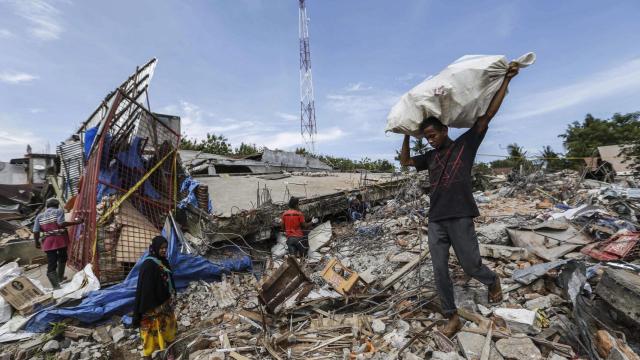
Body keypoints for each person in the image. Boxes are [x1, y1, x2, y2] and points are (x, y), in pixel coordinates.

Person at [399, 64, 519, 337]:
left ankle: (492, 280)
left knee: (470, 265)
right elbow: (405, 161)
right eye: (426, 138)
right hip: (436, 220)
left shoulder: (465, 145)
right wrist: (407, 133)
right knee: (439, 269)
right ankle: (451, 316)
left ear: (444, 130)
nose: (429, 141)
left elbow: (487, 116)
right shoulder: (429, 158)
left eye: (432, 136)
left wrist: (506, 82)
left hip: (461, 214)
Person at [133, 236, 177, 360]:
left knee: (168, 326)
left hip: (165, 304)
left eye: (165, 248)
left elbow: (169, 281)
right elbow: (145, 289)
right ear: (155, 248)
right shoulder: (148, 265)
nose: (164, 250)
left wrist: (171, 296)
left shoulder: (163, 261)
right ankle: (148, 356)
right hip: (151, 307)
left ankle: (170, 350)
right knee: (149, 332)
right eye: (161, 248)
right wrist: (154, 306)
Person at [32, 198, 83, 289]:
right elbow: (61, 223)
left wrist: (36, 242)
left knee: (52, 262)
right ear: (57, 205)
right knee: (63, 257)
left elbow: (36, 231)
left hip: (48, 242)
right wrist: (76, 222)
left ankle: (57, 284)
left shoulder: (39, 216)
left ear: (47, 206)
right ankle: (58, 281)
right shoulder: (58, 211)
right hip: (60, 240)